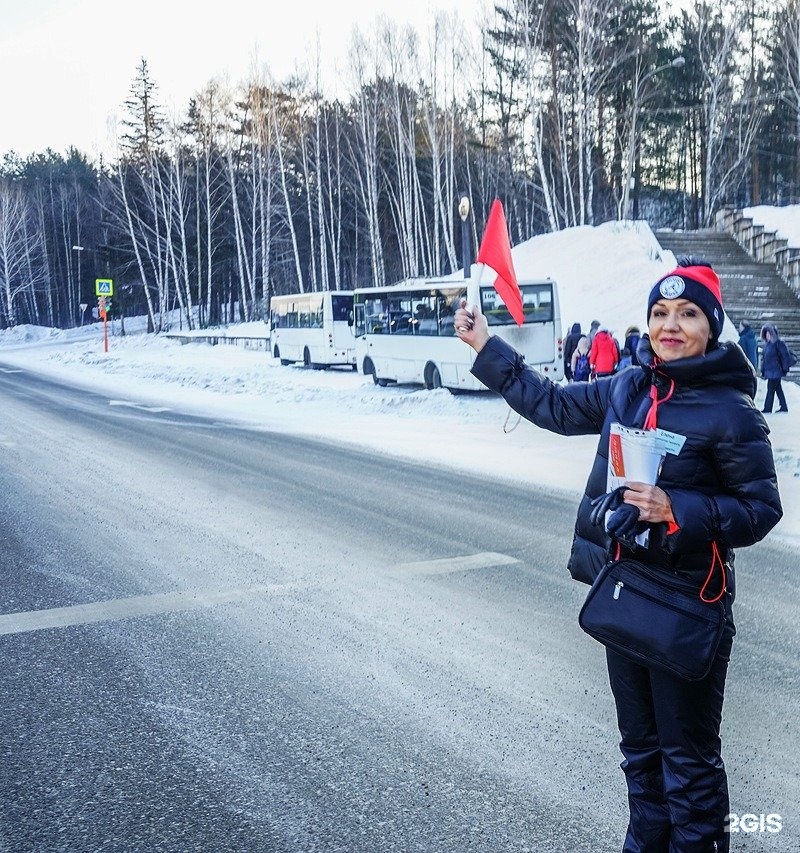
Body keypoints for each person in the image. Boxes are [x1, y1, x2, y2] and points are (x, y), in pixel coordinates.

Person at [454, 257, 782, 852]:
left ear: (712, 326)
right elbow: (552, 403)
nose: (670, 325)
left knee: (689, 766)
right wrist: (485, 345)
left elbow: (760, 511)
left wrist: (677, 509)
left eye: (687, 314)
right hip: (626, 593)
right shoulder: (629, 385)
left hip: (688, 605)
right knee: (640, 757)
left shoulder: (732, 413)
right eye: (660, 313)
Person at [759, 323, 790, 413]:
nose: (767, 336)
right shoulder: (767, 345)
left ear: (773, 334)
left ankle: (768, 408)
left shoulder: (778, 343)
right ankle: (783, 407)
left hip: (776, 371)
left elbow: (784, 356)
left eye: (769, 334)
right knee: (778, 389)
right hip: (770, 371)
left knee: (771, 389)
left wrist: (785, 368)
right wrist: (763, 369)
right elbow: (765, 359)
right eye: (766, 334)